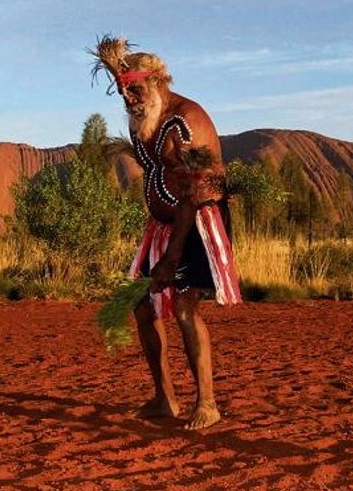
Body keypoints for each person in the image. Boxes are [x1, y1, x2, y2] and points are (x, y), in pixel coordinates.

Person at [90, 36, 241, 430]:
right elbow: (134, 96)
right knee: (143, 306)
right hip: (162, 224)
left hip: (198, 225)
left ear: (158, 81)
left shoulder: (186, 121)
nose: (129, 99)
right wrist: (118, 69)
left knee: (186, 309)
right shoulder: (150, 115)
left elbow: (196, 190)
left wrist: (173, 257)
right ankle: (164, 398)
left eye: (136, 89)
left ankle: (207, 404)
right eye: (123, 92)